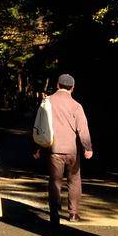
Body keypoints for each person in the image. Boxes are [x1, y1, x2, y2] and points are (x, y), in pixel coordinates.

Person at [43, 72, 92, 226]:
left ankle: (55, 213)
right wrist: (87, 147)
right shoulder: (76, 106)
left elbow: (40, 126)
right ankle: (73, 213)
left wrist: (37, 148)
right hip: (72, 150)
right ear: (72, 88)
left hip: (54, 149)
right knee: (74, 180)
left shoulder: (47, 102)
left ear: (57, 85)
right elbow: (82, 129)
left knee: (55, 181)